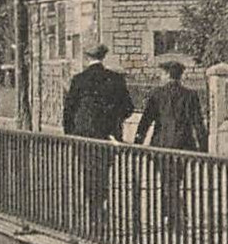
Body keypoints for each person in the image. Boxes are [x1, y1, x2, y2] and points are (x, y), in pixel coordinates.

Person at [61, 43, 134, 223]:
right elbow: (128, 108)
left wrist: (70, 132)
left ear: (87, 57)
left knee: (88, 171)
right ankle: (100, 207)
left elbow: (69, 109)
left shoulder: (79, 79)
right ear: (103, 57)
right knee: (102, 172)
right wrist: (115, 120)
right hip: (108, 135)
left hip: (83, 134)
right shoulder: (115, 79)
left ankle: (93, 209)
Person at [135, 60, 208, 228]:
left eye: (162, 73)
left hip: (161, 145)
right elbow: (198, 123)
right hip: (183, 145)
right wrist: (203, 149)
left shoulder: (156, 94)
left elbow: (146, 120)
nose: (161, 76)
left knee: (167, 180)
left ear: (167, 74)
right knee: (175, 181)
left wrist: (138, 141)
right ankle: (173, 214)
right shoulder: (190, 95)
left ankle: (172, 215)